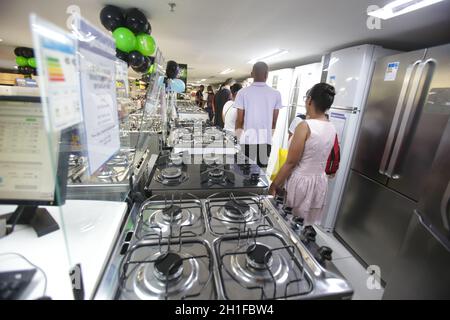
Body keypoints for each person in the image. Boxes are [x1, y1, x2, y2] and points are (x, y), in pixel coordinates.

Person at [268, 83, 337, 226]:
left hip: (301, 183)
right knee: (305, 224)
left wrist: (274, 185)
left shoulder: (305, 126)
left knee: (291, 222)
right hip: (319, 181)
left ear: (310, 100)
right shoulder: (331, 126)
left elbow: (291, 163)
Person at [234, 62, 282, 168]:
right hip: (265, 140)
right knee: (261, 173)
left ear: (252, 74)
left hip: (247, 140)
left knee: (244, 171)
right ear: (267, 74)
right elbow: (274, 122)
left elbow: (239, 120)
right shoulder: (276, 93)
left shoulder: (242, 93)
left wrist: (237, 139)